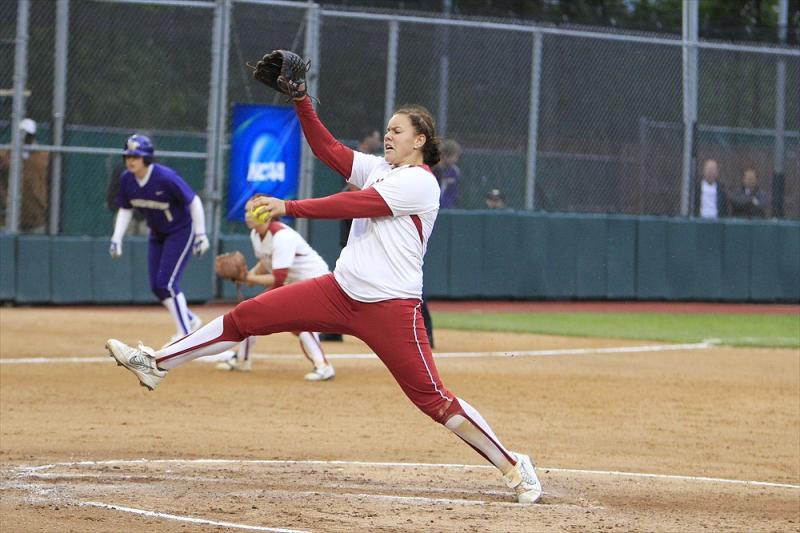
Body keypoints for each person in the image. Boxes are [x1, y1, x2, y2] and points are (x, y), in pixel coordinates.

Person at [105, 63, 541, 504]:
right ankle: (157, 363)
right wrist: (301, 100)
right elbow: (328, 149)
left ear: (420, 141)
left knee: (434, 401)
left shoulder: (419, 183)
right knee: (248, 316)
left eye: (397, 131)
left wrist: (287, 205)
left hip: (391, 308)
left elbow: (355, 203)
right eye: (386, 130)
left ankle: (513, 465)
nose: (387, 136)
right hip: (338, 291)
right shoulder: (380, 169)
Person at [215, 193, 335, 381]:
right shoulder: (256, 234)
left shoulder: (283, 236)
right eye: (246, 211)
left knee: (303, 323)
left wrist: (252, 278)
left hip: (317, 283)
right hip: (296, 284)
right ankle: (243, 360)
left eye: (251, 211)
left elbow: (279, 279)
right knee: (250, 312)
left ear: (266, 213)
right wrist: (249, 277)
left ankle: (324, 367)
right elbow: (266, 261)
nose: (247, 215)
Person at [109, 134, 208, 342]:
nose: (130, 160)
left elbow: (194, 201)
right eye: (127, 156)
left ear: (147, 158)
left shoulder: (165, 177)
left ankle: (185, 336)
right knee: (157, 286)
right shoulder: (127, 179)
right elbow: (125, 209)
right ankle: (189, 320)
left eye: (136, 156)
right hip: (157, 232)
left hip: (180, 230)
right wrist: (117, 237)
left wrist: (201, 234)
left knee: (168, 283)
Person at [0, 118, 50, 233]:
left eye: (28, 135)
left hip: (36, 216)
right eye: (21, 133)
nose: (24, 138)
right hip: (9, 216)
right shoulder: (5, 154)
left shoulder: (44, 156)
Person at [432, 139, 461, 208]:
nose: (456, 159)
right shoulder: (434, 169)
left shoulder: (454, 171)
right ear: (445, 155)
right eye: (455, 156)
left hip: (447, 207)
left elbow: (454, 192)